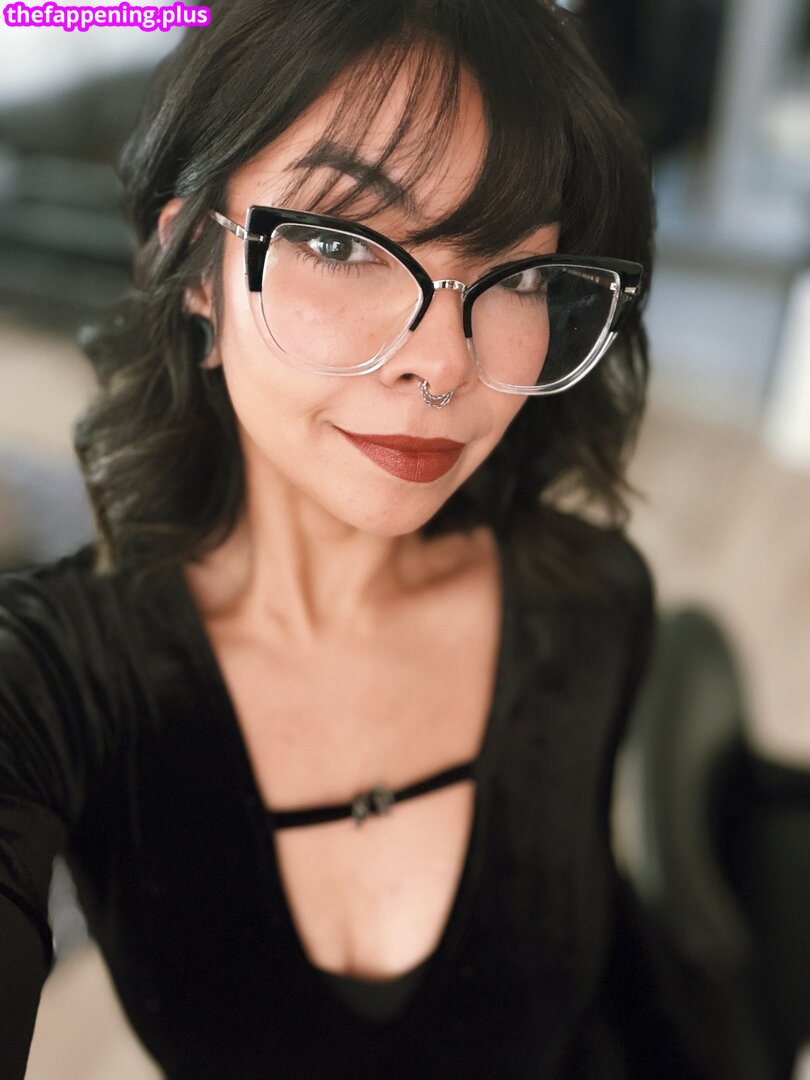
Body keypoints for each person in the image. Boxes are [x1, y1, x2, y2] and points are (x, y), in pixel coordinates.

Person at [0, 0, 700, 1076]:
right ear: (196, 268)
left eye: (516, 273)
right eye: (339, 241)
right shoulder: (49, 683)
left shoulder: (590, 600)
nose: (444, 361)